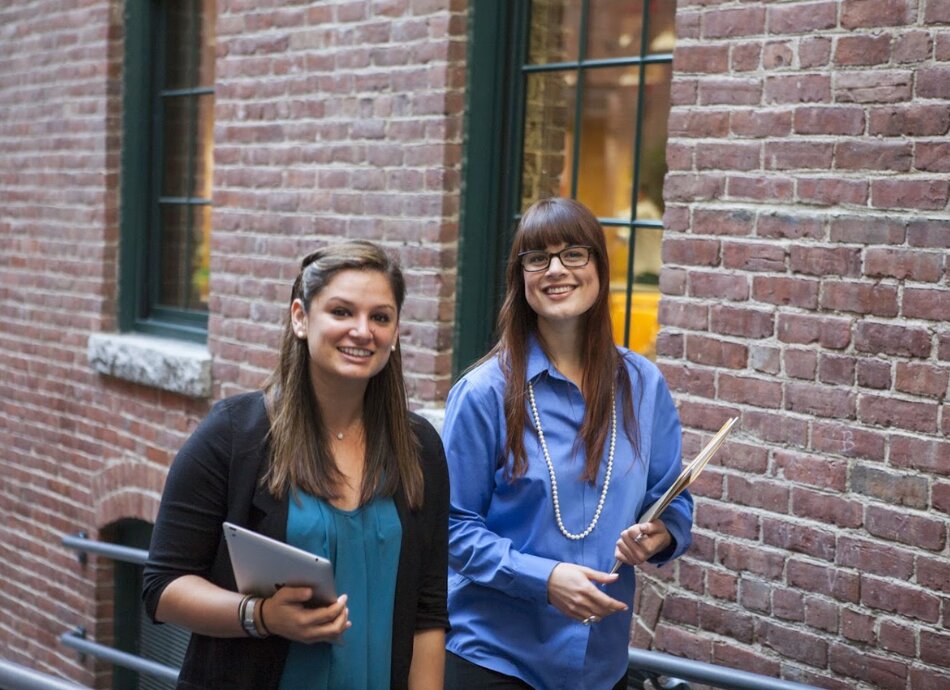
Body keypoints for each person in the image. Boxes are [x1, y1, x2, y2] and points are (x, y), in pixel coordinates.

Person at [143, 241, 449, 690]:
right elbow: (162, 587)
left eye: (380, 317)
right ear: (300, 318)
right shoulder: (233, 436)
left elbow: (428, 611)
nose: (363, 331)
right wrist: (261, 616)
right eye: (341, 312)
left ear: (396, 332)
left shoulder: (419, 447)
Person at [442, 198, 694, 690]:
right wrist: (544, 579)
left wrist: (661, 533)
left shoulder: (643, 386)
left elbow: (673, 497)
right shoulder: (483, 393)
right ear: (522, 277)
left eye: (574, 254)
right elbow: (451, 527)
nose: (556, 269)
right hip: (497, 656)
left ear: (599, 267)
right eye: (538, 258)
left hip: (602, 664)